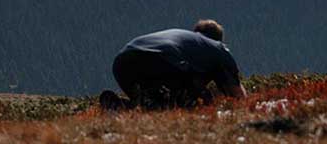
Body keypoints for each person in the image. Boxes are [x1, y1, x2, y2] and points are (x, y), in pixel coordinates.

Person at [100, 19, 246, 110]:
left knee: (151, 99)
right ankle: (143, 105)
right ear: (219, 39)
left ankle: (127, 106)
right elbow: (237, 94)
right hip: (162, 59)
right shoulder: (218, 48)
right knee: (191, 100)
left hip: (122, 63)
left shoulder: (187, 39)